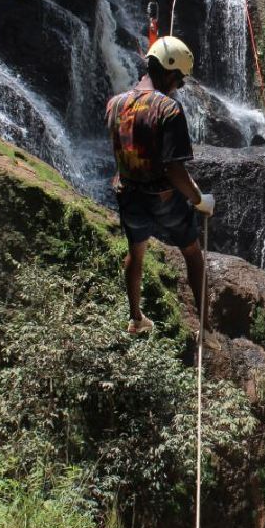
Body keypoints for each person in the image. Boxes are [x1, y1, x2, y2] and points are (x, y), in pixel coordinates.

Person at [105, 35, 215, 334]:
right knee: (193, 254)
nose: (178, 88)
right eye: (179, 81)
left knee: (135, 252)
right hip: (164, 198)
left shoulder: (115, 104)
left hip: (128, 194)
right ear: (168, 71)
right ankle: (205, 328)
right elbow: (174, 170)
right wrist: (197, 199)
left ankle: (136, 318)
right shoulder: (168, 110)